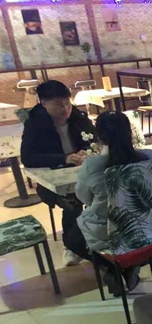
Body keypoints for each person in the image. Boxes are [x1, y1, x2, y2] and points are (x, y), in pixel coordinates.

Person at [69, 111, 152, 295]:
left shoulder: (92, 166)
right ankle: (134, 264)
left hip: (114, 237)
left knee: (72, 238)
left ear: (100, 137)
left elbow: (85, 199)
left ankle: (115, 268)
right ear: (130, 132)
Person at [21, 80, 97, 266]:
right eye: (58, 104)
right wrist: (64, 159)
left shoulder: (79, 118)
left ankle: (98, 237)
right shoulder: (35, 124)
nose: (64, 109)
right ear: (43, 103)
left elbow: (96, 140)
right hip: (52, 181)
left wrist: (85, 151)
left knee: (107, 194)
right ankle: (72, 245)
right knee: (72, 204)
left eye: (67, 103)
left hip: (84, 174)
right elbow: (28, 158)